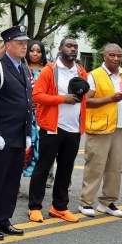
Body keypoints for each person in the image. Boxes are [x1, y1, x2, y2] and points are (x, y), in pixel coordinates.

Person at [0, 25, 33, 241]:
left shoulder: (23, 68)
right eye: (19, 42)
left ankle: (4, 219)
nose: (24, 46)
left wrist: (28, 132)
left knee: (12, 181)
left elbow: (27, 104)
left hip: (18, 135)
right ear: (8, 44)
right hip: (2, 136)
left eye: (25, 42)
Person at [28, 37, 88, 223]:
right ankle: (34, 207)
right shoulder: (49, 70)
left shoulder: (81, 71)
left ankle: (59, 207)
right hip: (52, 127)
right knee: (43, 168)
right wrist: (62, 99)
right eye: (69, 46)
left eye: (75, 47)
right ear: (61, 48)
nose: (73, 49)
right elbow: (36, 95)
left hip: (73, 128)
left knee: (66, 169)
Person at [78, 44, 122, 218]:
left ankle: (107, 202)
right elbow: (86, 101)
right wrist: (110, 99)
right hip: (100, 126)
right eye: (112, 55)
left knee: (115, 167)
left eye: (118, 56)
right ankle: (86, 202)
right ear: (104, 56)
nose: (116, 59)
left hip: (120, 126)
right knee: (95, 166)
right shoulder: (94, 75)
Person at [24, 40, 47, 179]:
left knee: (40, 150)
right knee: (23, 149)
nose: (35, 54)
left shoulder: (47, 70)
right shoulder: (22, 67)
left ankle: (37, 183)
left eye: (39, 51)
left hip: (42, 116)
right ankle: (15, 185)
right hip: (25, 115)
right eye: (32, 50)